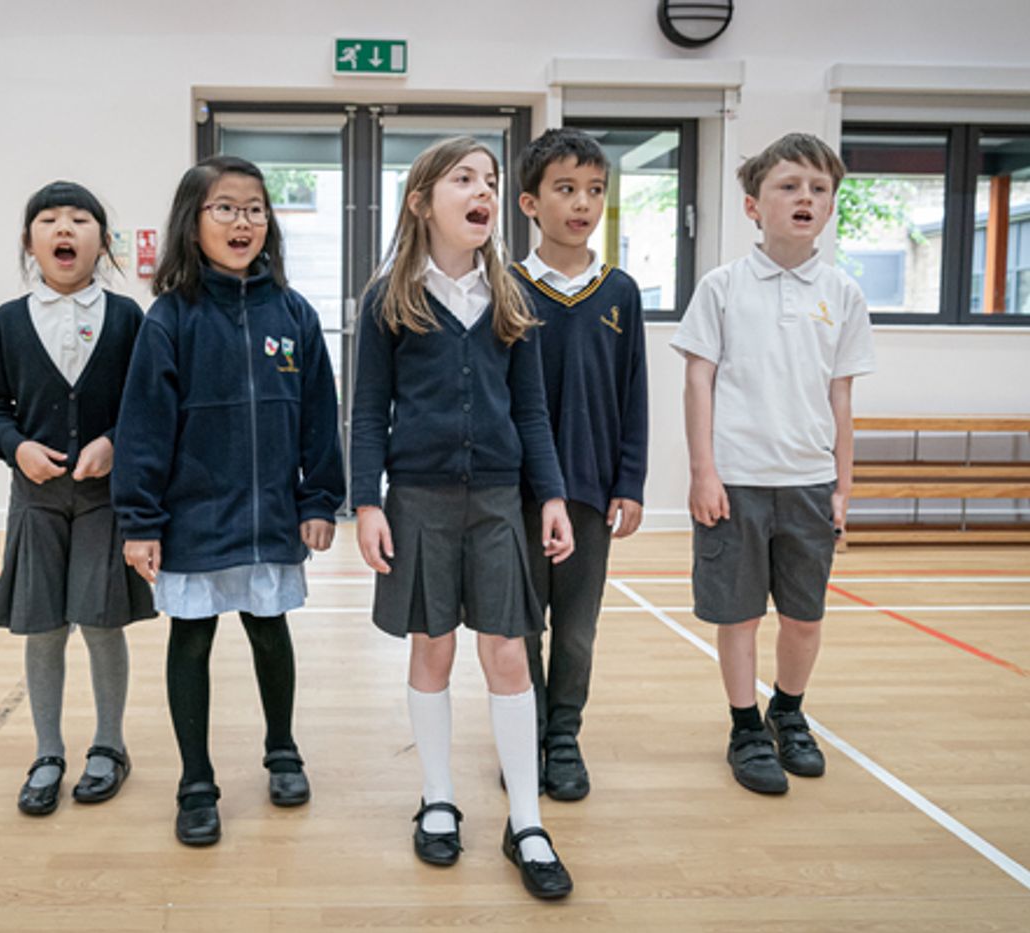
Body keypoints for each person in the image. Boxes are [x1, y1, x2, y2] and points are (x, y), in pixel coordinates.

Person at [351, 136, 575, 900]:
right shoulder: (387, 299)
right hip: (417, 501)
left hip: (499, 503)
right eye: (464, 179)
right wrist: (368, 502)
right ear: (422, 202)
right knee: (433, 647)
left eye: (490, 180)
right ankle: (439, 797)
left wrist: (550, 494)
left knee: (508, 654)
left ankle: (527, 820)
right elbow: (367, 414)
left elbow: (532, 411)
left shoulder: (512, 297)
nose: (483, 191)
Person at [112, 155, 344, 847]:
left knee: (270, 630)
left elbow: (318, 417)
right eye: (225, 208)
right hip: (194, 517)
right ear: (194, 222)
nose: (243, 222)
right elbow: (143, 428)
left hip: (271, 513)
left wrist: (319, 499)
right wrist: (140, 520)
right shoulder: (169, 319)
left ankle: (283, 751)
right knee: (192, 638)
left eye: (255, 209)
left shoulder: (294, 314)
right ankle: (195, 781)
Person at [670, 132, 875, 794]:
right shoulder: (722, 287)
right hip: (735, 482)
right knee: (738, 615)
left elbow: (841, 397)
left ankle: (787, 711)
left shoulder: (842, 293)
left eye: (818, 189)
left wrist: (843, 485)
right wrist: (703, 472)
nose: (804, 198)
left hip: (810, 483)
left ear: (831, 205)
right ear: (754, 206)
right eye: (788, 186)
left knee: (804, 616)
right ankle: (744, 727)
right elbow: (698, 381)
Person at [0, 181, 155, 816]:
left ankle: (109, 745)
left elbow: (147, 404)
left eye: (80, 219)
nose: (64, 229)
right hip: (36, 500)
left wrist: (114, 443)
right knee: (44, 627)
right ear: (30, 243)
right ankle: (47, 751)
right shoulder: (8, 320)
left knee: (103, 623)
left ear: (102, 242)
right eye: (48, 220)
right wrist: (17, 447)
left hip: (107, 499)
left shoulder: (129, 318)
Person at [510, 128, 648, 801]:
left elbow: (634, 392)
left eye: (595, 190)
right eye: (565, 189)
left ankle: (563, 737)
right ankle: (525, 732)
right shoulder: (504, 288)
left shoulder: (620, 291)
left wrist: (631, 481)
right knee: (518, 625)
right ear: (530, 203)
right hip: (516, 494)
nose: (582, 203)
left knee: (576, 630)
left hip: (591, 493)